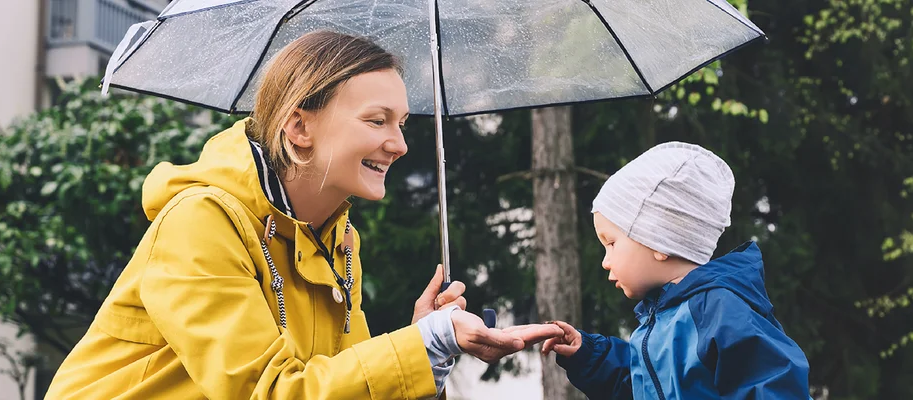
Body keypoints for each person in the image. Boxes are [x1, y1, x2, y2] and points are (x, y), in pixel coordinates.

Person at [45, 30, 560, 399]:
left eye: (402, 123)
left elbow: (339, 384)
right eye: (376, 120)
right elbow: (268, 392)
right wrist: (423, 345)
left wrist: (427, 346)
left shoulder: (338, 240)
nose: (400, 144)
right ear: (299, 129)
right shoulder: (200, 222)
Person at [538, 142, 811, 399]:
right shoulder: (660, 319)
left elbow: (774, 385)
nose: (605, 262)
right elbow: (639, 385)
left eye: (611, 243)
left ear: (659, 240)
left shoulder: (719, 310)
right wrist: (587, 355)